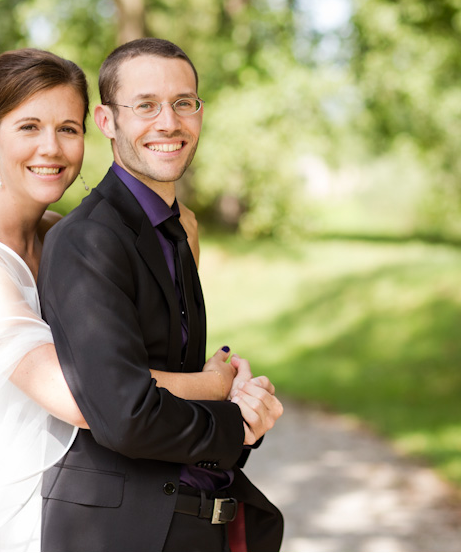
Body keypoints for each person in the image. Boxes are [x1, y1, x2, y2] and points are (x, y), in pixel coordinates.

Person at [0, 48, 246, 551]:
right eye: (28, 127)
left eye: (68, 129)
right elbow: (82, 395)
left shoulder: (65, 235)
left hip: (82, 505)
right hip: (1, 517)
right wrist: (213, 385)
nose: (51, 148)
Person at [38, 38, 285, 552]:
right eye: (145, 105)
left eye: (183, 103)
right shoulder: (88, 239)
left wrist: (247, 415)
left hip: (194, 522)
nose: (168, 122)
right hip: (119, 534)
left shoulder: (177, 229)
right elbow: (125, 414)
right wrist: (234, 423)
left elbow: (180, 381)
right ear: (107, 121)